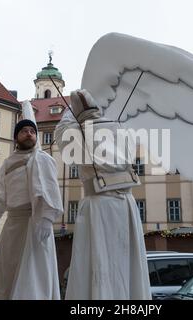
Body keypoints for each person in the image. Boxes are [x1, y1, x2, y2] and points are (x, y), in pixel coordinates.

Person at [54, 89, 151, 300]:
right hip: (127, 204)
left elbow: (59, 131)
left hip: (99, 204)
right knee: (127, 265)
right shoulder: (121, 127)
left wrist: (72, 111)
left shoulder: (76, 132)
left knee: (99, 263)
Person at [0, 114, 64, 300]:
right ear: (16, 137)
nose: (29, 134)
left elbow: (50, 190)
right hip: (13, 226)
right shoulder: (6, 164)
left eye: (32, 131)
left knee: (34, 273)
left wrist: (46, 219)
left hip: (34, 224)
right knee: (9, 271)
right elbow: (4, 197)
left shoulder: (42, 159)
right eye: (24, 131)